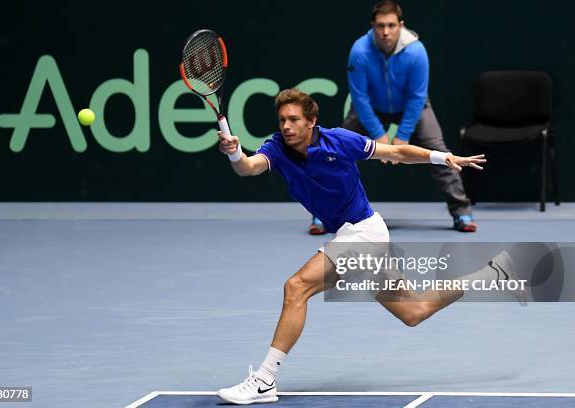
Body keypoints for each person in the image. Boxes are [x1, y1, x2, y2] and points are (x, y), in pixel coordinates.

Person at [215, 88, 522, 405]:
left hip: (363, 232)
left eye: (294, 120)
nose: (287, 127)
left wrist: (443, 157)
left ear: (311, 121)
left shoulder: (339, 140)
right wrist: (234, 153)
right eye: (282, 120)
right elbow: (248, 168)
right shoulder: (277, 148)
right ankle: (492, 274)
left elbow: (397, 153)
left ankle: (265, 379)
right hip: (352, 236)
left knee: (297, 287)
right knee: (413, 312)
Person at [309, 0, 476, 235]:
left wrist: (403, 135)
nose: (385, 32)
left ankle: (461, 211)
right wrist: (379, 134)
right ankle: (323, 212)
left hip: (411, 107)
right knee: (335, 150)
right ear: (373, 26)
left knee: (436, 148)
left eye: (391, 25)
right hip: (370, 109)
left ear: (401, 25)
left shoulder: (416, 51)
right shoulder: (359, 51)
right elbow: (360, 97)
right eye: (380, 26)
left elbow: (417, 96)